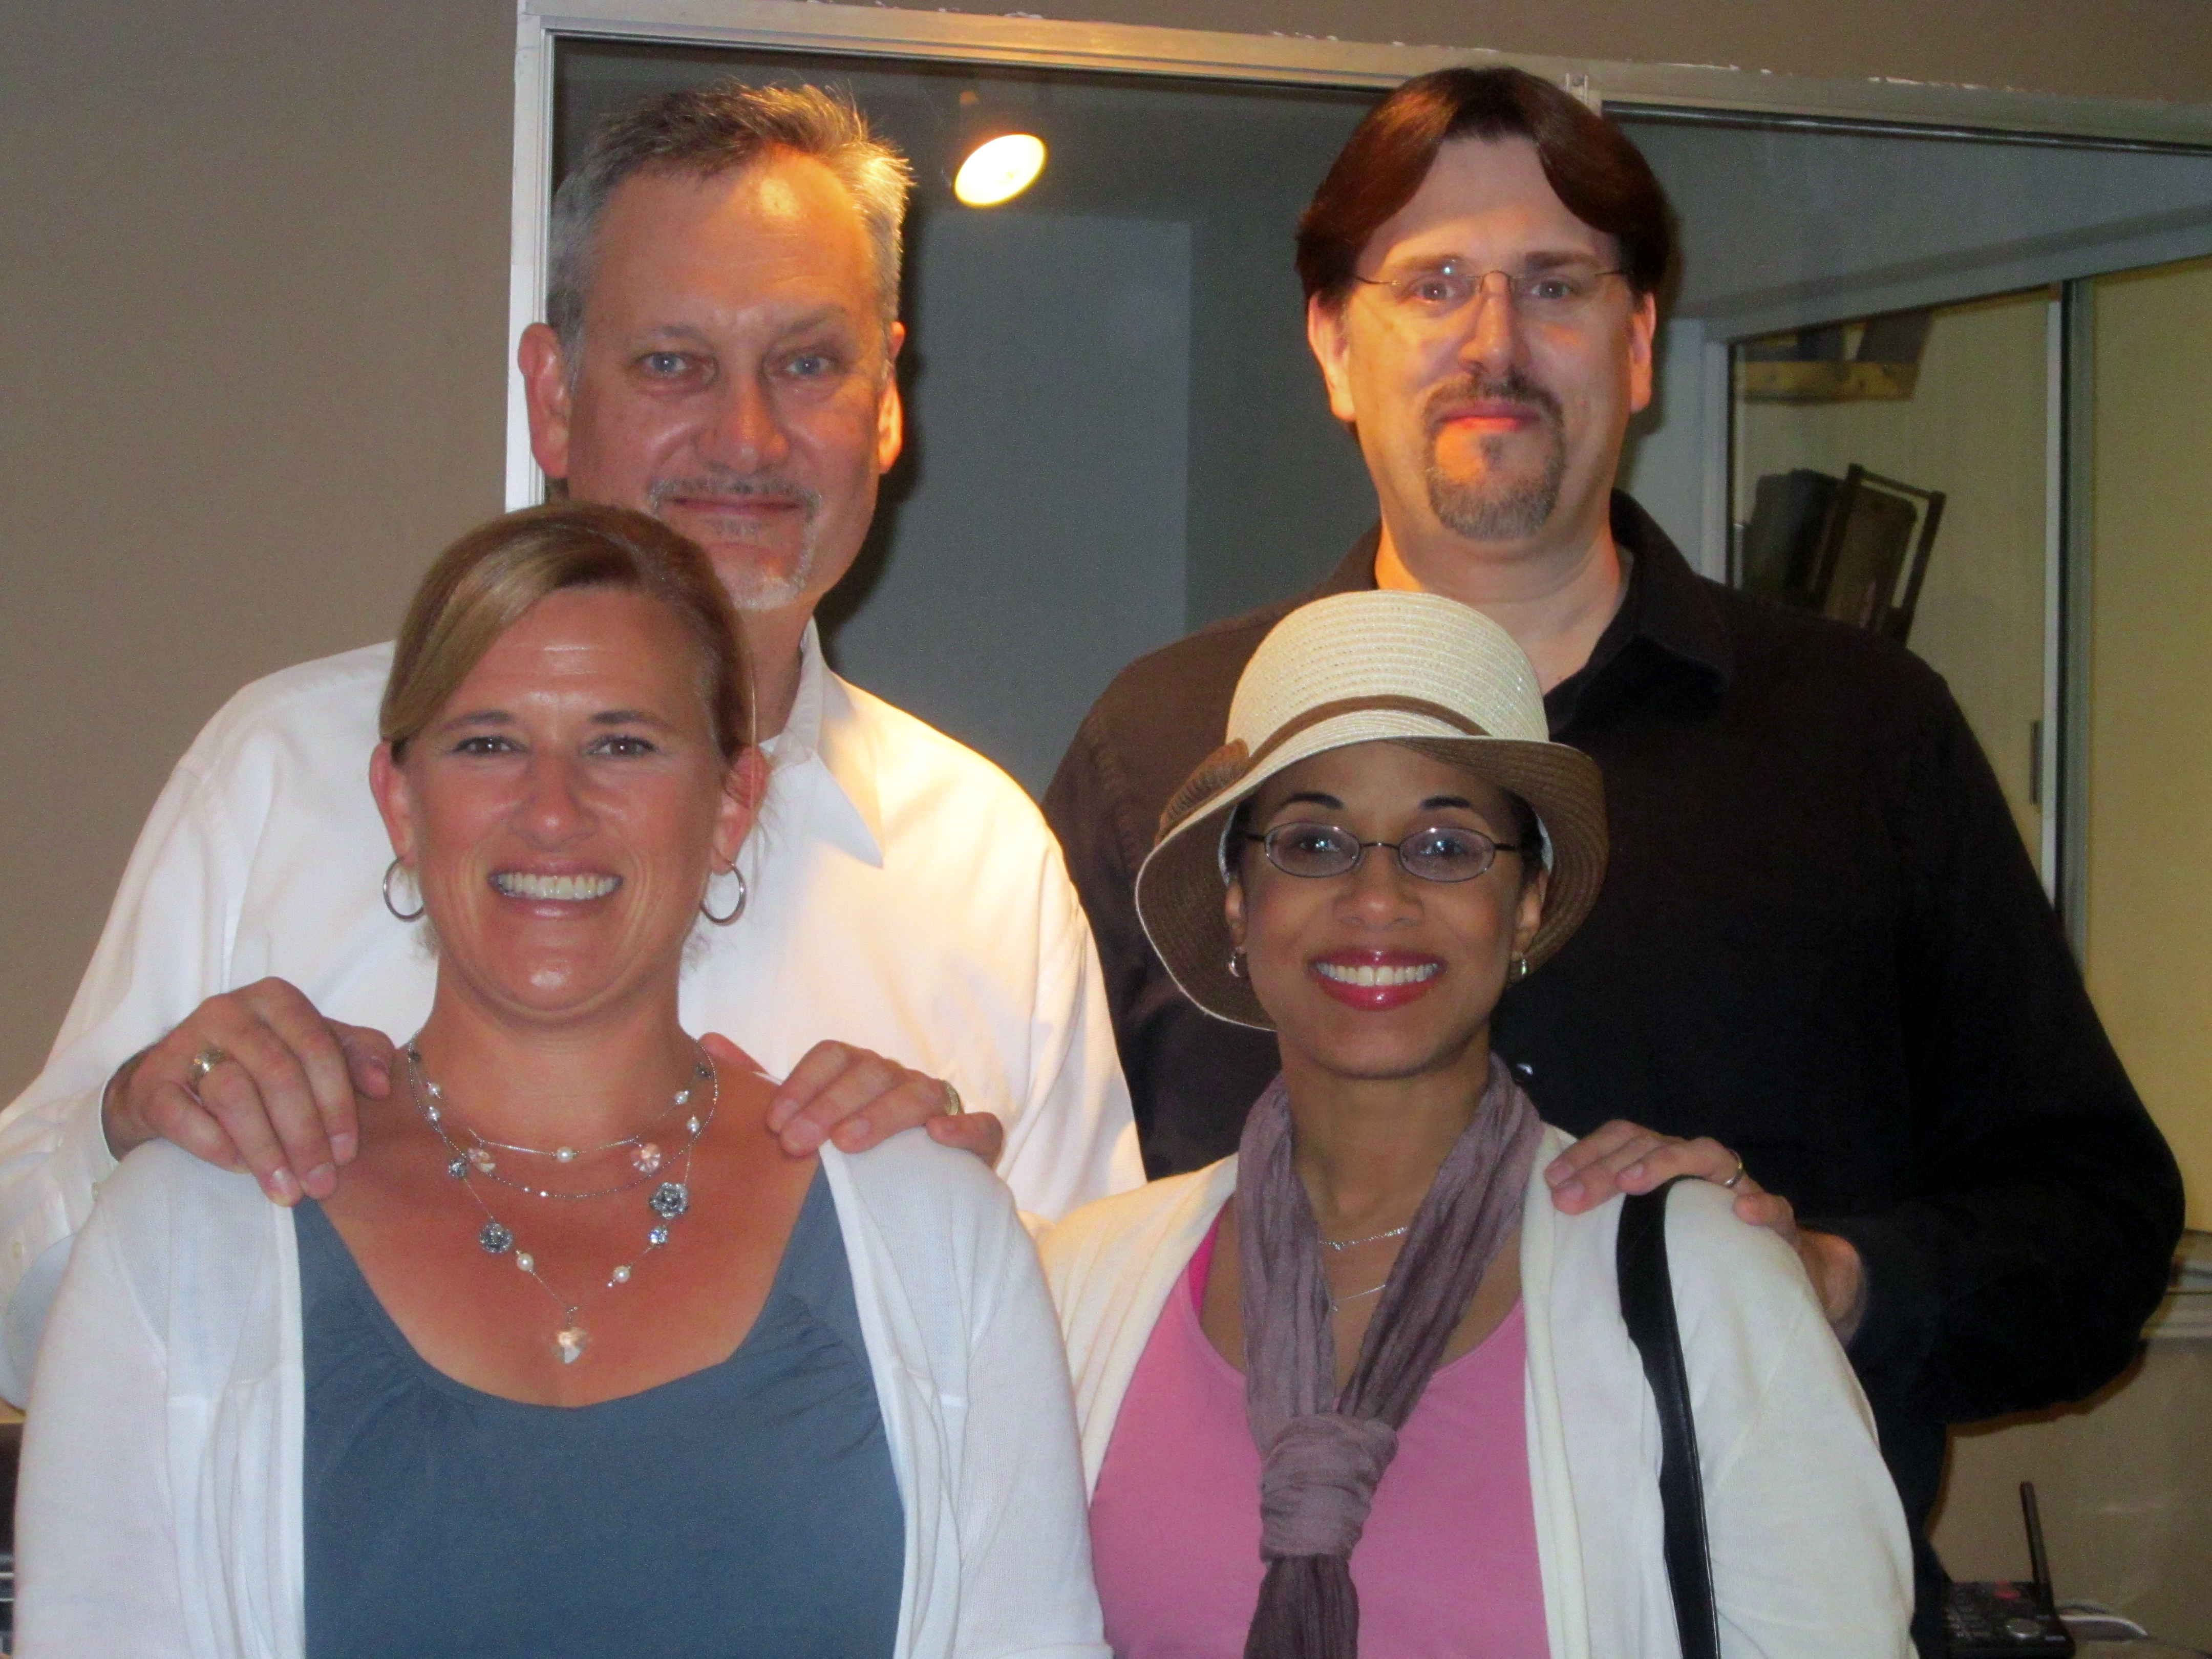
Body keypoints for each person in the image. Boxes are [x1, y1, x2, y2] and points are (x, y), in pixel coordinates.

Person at [1043, 65, 2181, 1650]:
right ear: (1329, 345)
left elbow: (2099, 1222)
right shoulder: (1159, 747)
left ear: (1641, 342)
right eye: (1432, 283)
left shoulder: (1860, 738)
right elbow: (1044, 1253)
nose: (1492, 342)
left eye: (1555, 284)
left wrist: (1825, 1282)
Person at [0, 81, 1140, 1401]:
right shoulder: (282, 771)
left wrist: (962, 1238)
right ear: (551, 395)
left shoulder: (986, 865)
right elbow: (22, 1327)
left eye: (810, 364)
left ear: (887, 403)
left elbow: (1084, 1404)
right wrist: (124, 1126)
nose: (748, 437)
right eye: (673, 363)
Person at [15, 502, 1107, 1659]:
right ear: (399, 802)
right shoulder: (187, 1231)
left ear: (732, 806)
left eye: (622, 744)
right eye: (488, 742)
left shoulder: (929, 1226)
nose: (551, 811)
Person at [1044, 588, 1911, 1657]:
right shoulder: (1080, 1290)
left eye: (1446, 847)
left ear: (1529, 902)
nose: (1376, 898)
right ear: (1239, 899)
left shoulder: (1701, 1285)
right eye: (1314, 844)